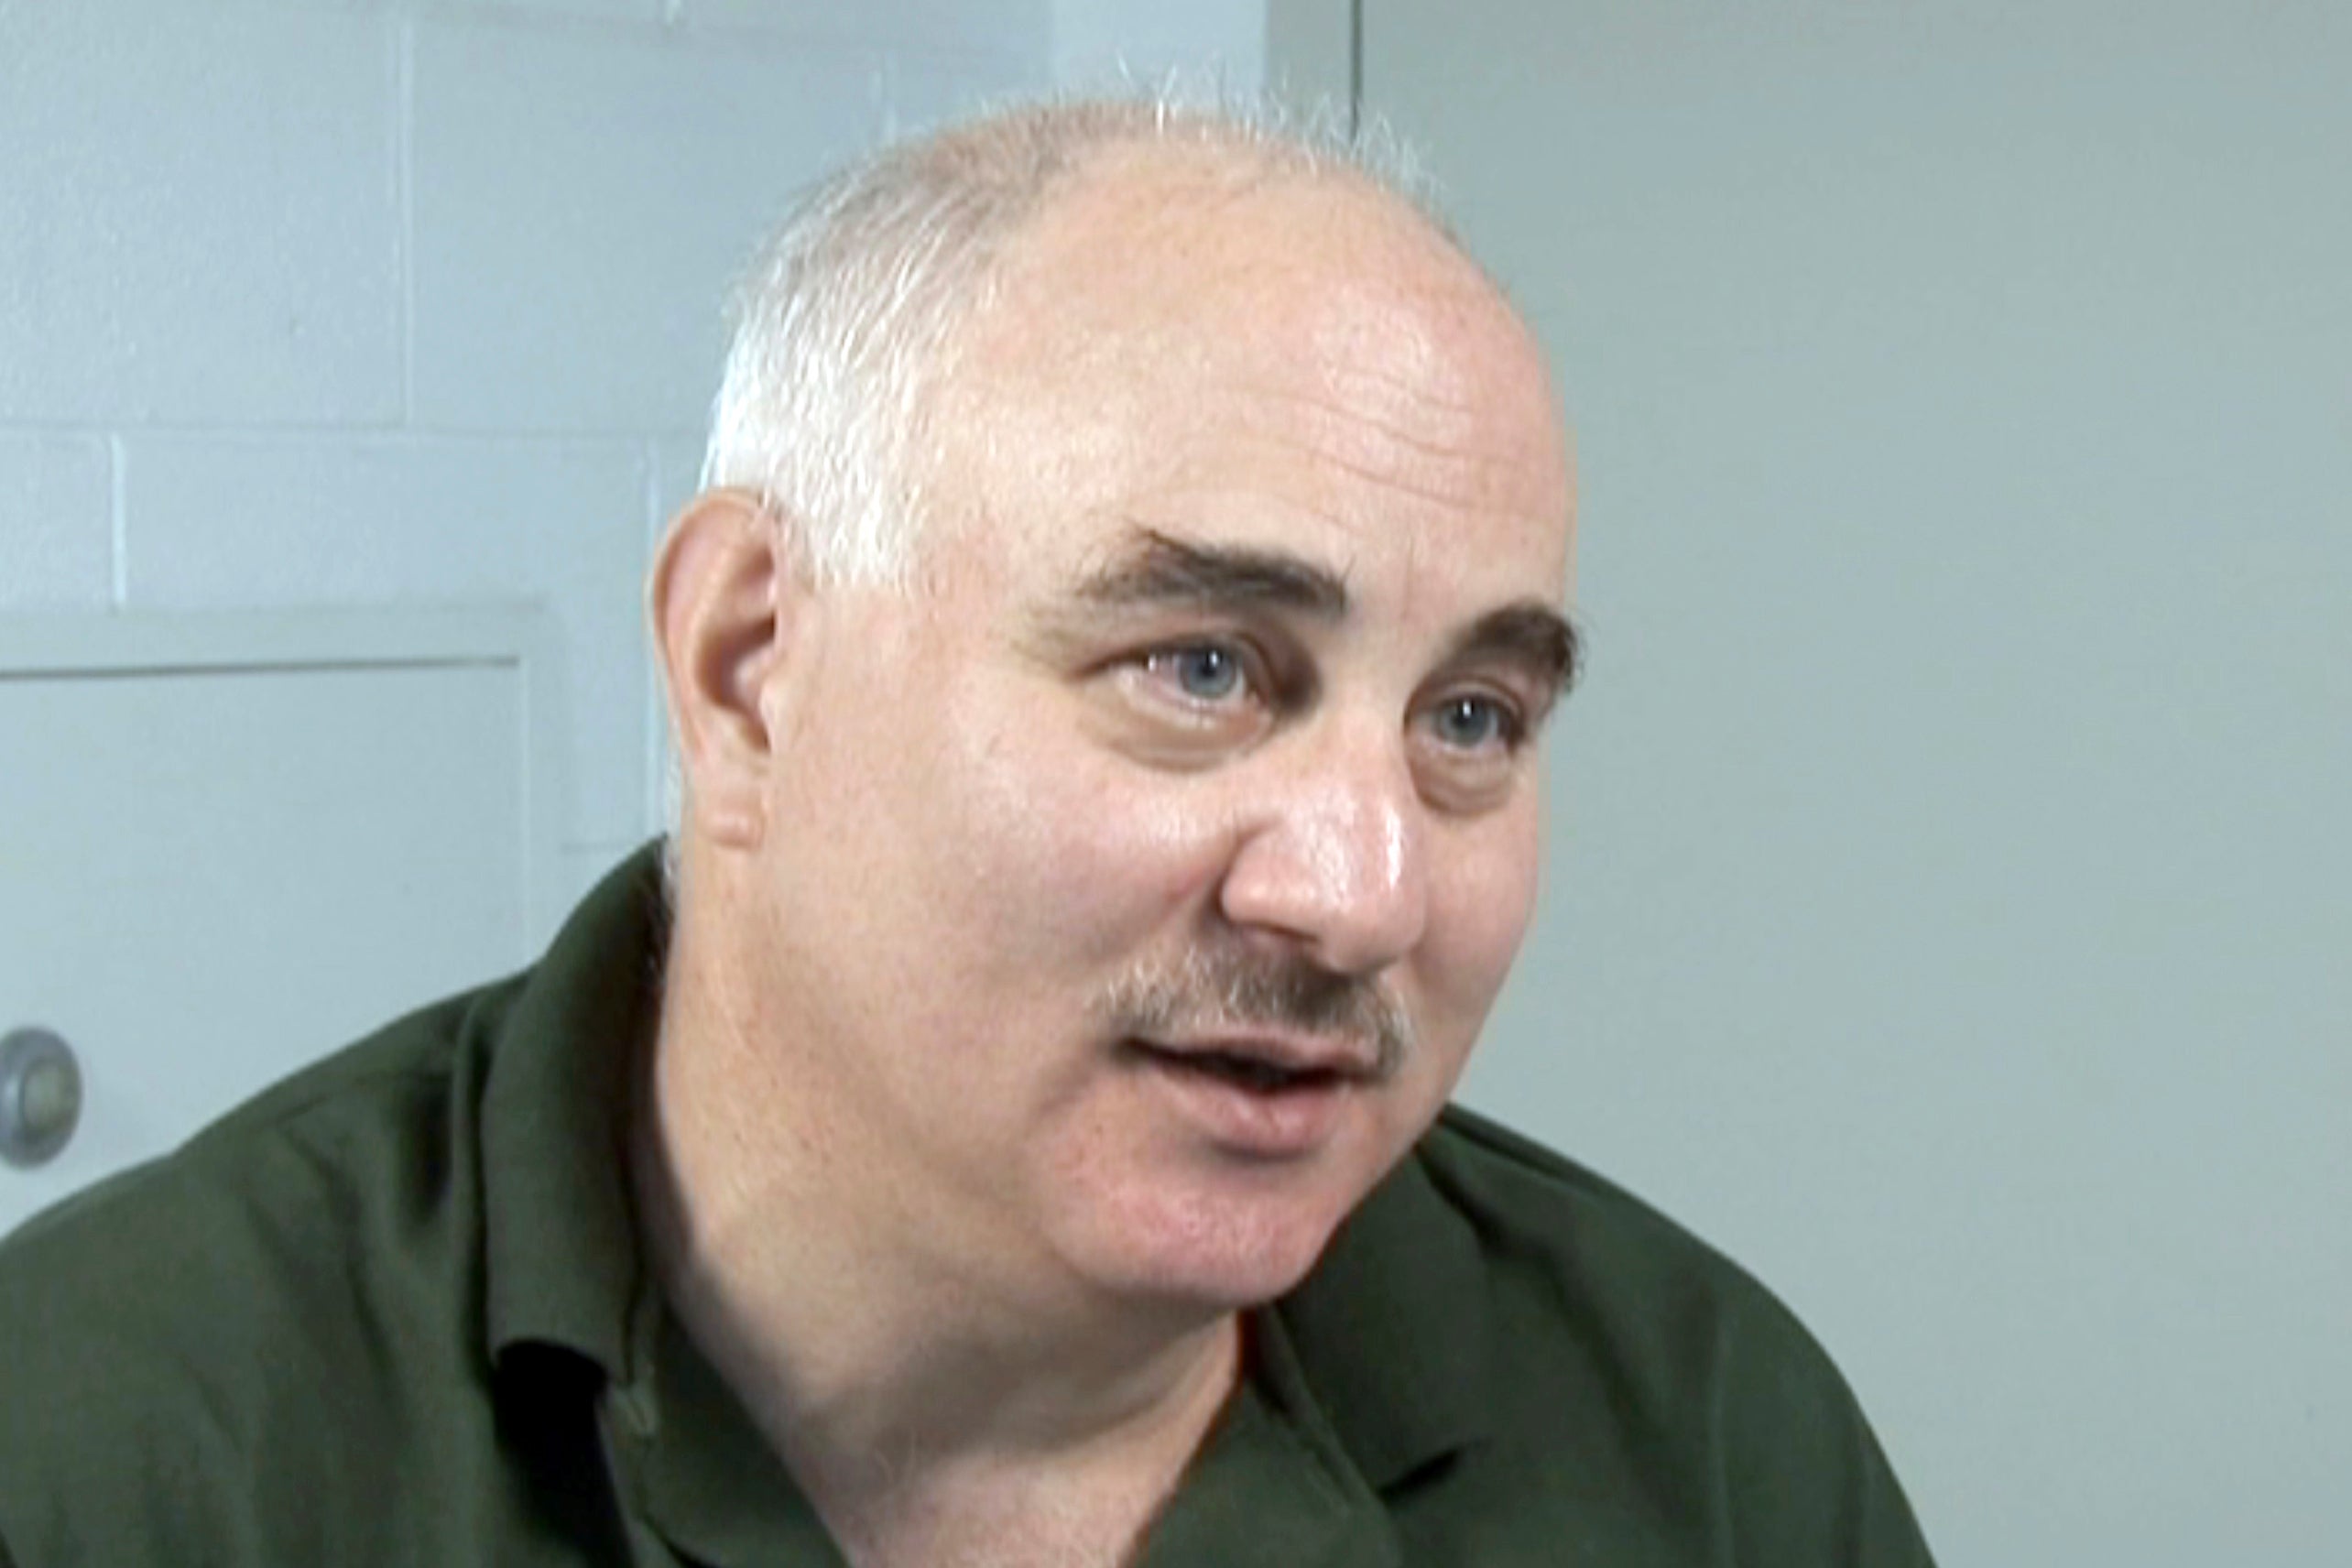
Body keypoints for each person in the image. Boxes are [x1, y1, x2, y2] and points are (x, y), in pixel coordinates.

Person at [0, 99, 1934, 1566]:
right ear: (753, 666)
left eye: (1470, 719)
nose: (1360, 891)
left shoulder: (1702, 1443)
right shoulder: (115, 1454)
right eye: (1202, 668)